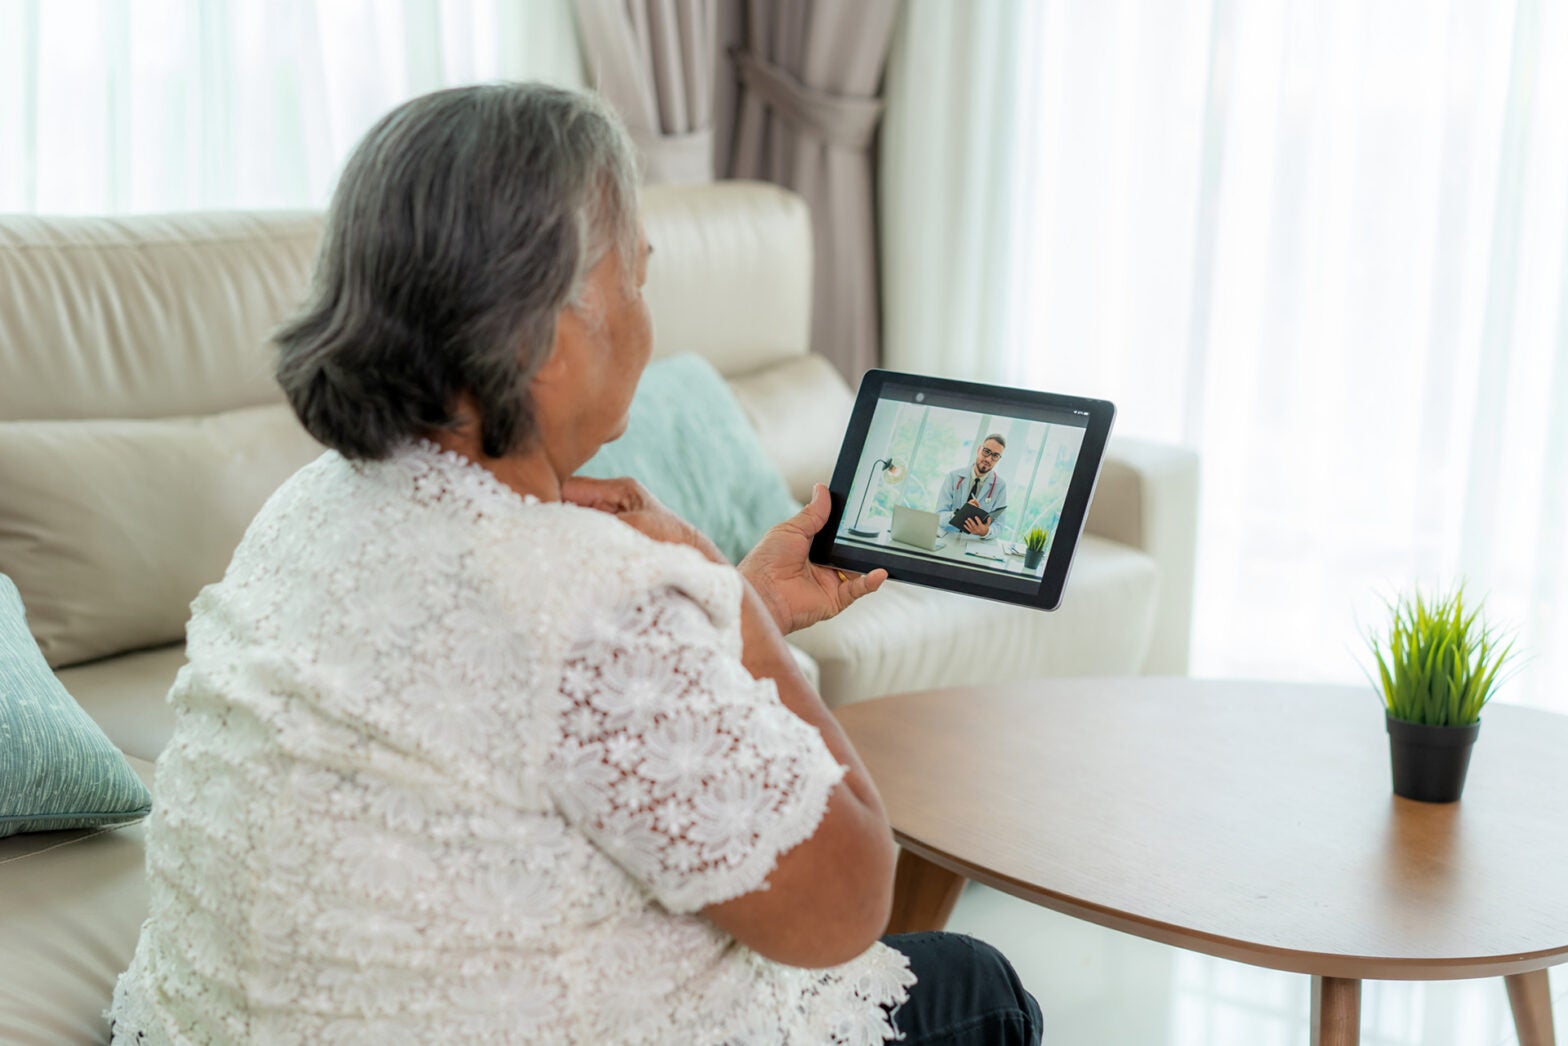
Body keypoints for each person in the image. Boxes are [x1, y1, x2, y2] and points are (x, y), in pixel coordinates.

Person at [106, 84, 1041, 1045]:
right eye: (637, 277)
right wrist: (724, 598)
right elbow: (847, 901)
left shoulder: (309, 506)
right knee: (979, 987)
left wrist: (718, 611)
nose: (647, 316)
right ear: (551, 338)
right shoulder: (592, 602)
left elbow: (509, 706)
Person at [936, 434, 1009, 539]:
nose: (989, 459)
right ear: (979, 450)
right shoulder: (954, 477)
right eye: (986, 451)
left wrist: (986, 532)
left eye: (995, 456)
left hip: (974, 543)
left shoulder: (1000, 486)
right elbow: (939, 516)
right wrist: (959, 513)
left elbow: (999, 525)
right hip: (948, 538)